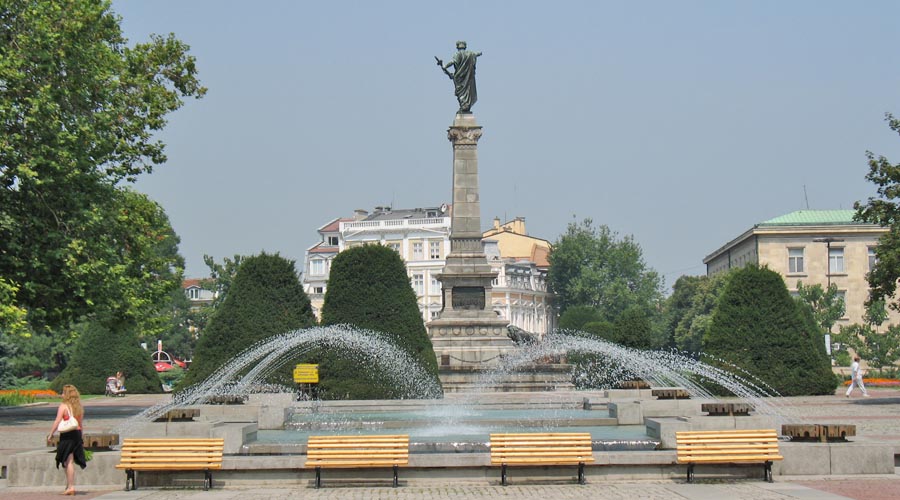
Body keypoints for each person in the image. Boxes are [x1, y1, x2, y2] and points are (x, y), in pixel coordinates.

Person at [47, 384, 86, 495]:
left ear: (67, 394)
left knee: (68, 461)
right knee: (70, 460)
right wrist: (81, 436)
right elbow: (80, 424)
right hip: (77, 434)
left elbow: (57, 421)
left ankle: (71, 486)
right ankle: (69, 485)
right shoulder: (78, 406)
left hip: (67, 435)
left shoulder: (63, 406)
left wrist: (50, 434)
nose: (61, 394)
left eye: (63, 392)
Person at [439, 41, 483, 114]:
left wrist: (445, 66)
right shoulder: (470, 54)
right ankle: (465, 106)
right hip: (468, 77)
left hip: (459, 78)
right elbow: (476, 54)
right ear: (465, 47)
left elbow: (453, 62)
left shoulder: (458, 54)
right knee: (467, 91)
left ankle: (464, 106)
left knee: (461, 93)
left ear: (457, 47)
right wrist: (479, 54)